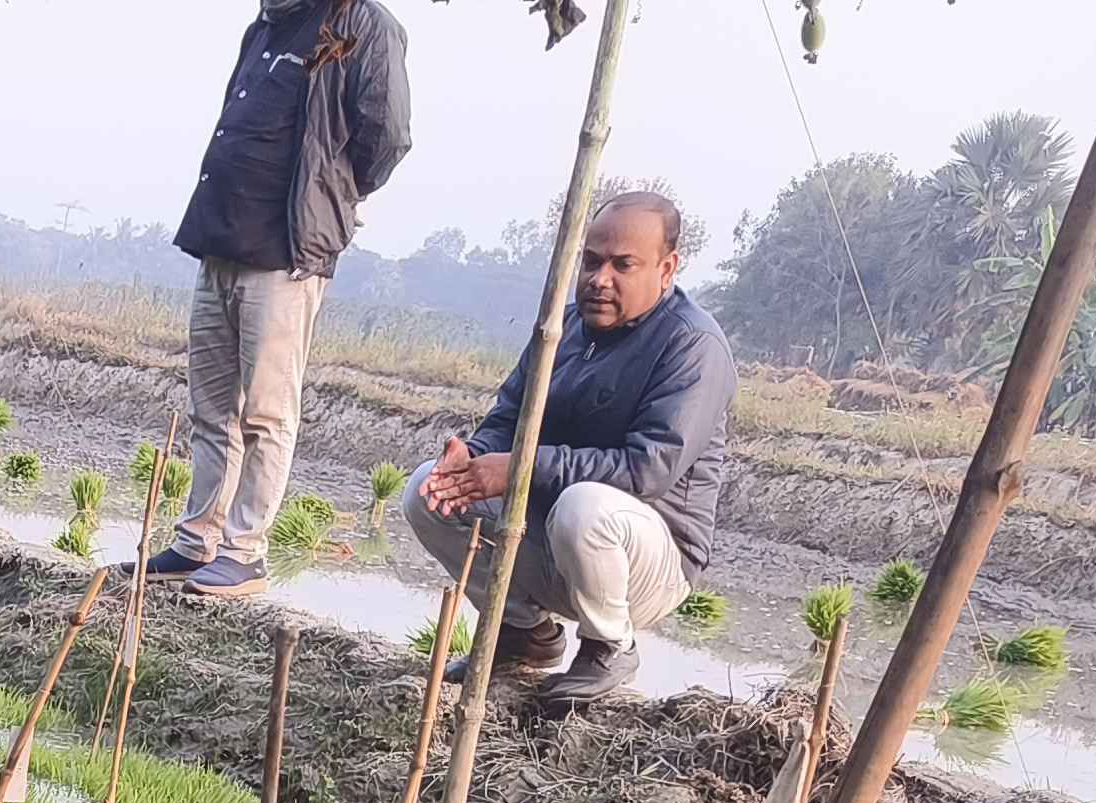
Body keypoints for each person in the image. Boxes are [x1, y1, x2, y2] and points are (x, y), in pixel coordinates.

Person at [403, 187, 734, 714]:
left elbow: (646, 470)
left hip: (647, 558)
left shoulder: (692, 346)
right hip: (558, 535)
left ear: (667, 269)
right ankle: (523, 633)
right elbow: (510, 417)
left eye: (623, 265)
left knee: (584, 505)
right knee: (427, 490)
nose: (600, 279)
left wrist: (520, 469)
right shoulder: (564, 325)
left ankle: (609, 645)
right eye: (592, 261)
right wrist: (473, 457)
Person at [146, 0, 412, 597]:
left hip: (285, 254)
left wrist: (334, 193)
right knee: (211, 411)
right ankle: (196, 542)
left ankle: (245, 553)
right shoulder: (264, 25)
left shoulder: (361, 23)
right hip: (220, 241)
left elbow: (387, 136)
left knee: (265, 413)